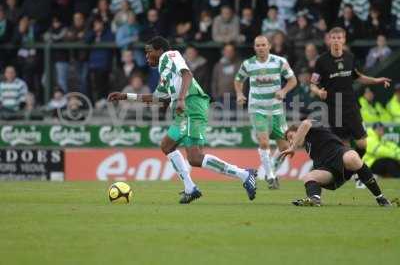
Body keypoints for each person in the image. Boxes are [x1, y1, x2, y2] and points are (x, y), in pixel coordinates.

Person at [108, 36, 257, 204]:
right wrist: (125, 96)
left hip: (191, 104)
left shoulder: (170, 55)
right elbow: (158, 98)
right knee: (166, 145)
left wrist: (180, 99)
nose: (146, 57)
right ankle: (190, 188)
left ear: (160, 51)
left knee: (194, 158)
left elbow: (187, 74)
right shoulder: (164, 71)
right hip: (183, 110)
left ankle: (245, 174)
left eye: (149, 52)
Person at [310, 27, 391, 159]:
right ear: (329, 40)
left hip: (351, 106)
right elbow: (312, 84)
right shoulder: (321, 61)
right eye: (334, 38)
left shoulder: (349, 57)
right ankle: (353, 174)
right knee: (343, 145)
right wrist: (319, 92)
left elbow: (358, 77)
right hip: (334, 109)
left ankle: (355, 170)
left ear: (344, 39)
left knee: (362, 144)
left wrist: (376, 80)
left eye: (339, 38)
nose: (336, 41)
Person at [281, 119, 391, 207]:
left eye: (291, 137)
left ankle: (380, 197)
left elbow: (305, 123)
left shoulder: (312, 128)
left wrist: (293, 147)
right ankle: (314, 199)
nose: (291, 141)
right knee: (308, 177)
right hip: (329, 171)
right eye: (289, 140)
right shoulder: (307, 146)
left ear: (298, 130)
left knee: (352, 157)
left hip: (340, 156)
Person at [234, 35, 297, 189]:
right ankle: (270, 176)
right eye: (257, 45)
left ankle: (272, 170)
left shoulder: (279, 61)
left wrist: (283, 91)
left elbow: (293, 80)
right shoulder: (248, 64)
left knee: (284, 148)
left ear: (269, 46)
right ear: (254, 47)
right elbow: (238, 80)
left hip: (276, 111)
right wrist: (239, 94)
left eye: (263, 45)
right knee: (264, 141)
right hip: (257, 109)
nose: (261, 48)